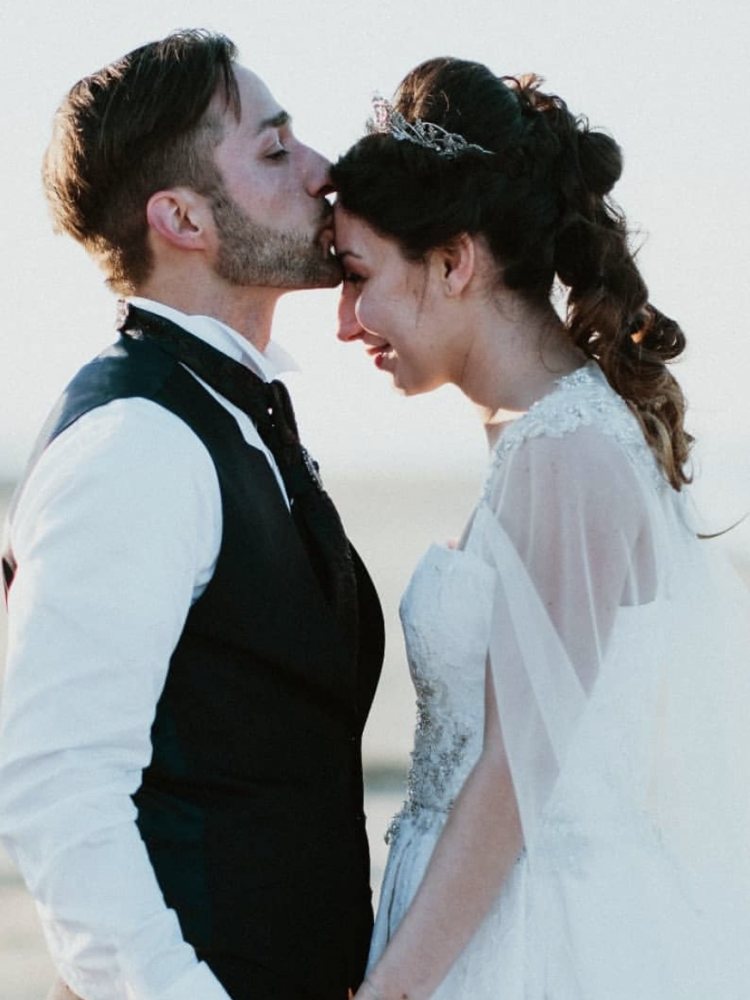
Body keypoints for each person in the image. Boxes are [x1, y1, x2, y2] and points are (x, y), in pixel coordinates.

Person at [330, 57, 750, 999]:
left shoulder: (567, 453)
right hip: (484, 921)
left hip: (533, 944)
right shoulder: (534, 438)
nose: (349, 323)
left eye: (358, 277)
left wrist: (394, 990)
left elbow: (518, 776)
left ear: (454, 261)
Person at [0, 30, 384, 1000]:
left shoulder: (235, 415)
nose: (323, 171)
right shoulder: (136, 441)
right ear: (180, 217)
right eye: (274, 149)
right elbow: (59, 789)